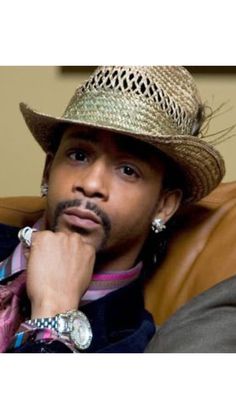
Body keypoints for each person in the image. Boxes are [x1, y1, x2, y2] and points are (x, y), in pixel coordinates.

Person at [0, 66, 225, 353]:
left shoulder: (130, 342)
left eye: (128, 170)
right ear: (47, 171)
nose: (92, 184)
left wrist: (53, 312)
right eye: (79, 155)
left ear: (164, 205)